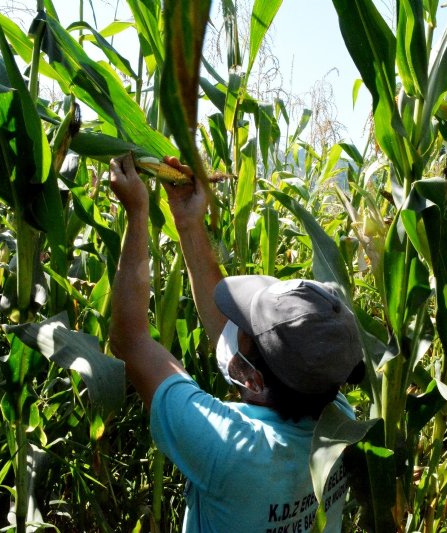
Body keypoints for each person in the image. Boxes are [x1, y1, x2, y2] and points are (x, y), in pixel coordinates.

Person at [108, 154, 365, 532]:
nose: (233, 327)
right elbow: (229, 335)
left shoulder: (229, 448)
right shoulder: (341, 419)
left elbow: (129, 340)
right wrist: (187, 221)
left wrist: (137, 213)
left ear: (252, 379)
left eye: (244, 327)